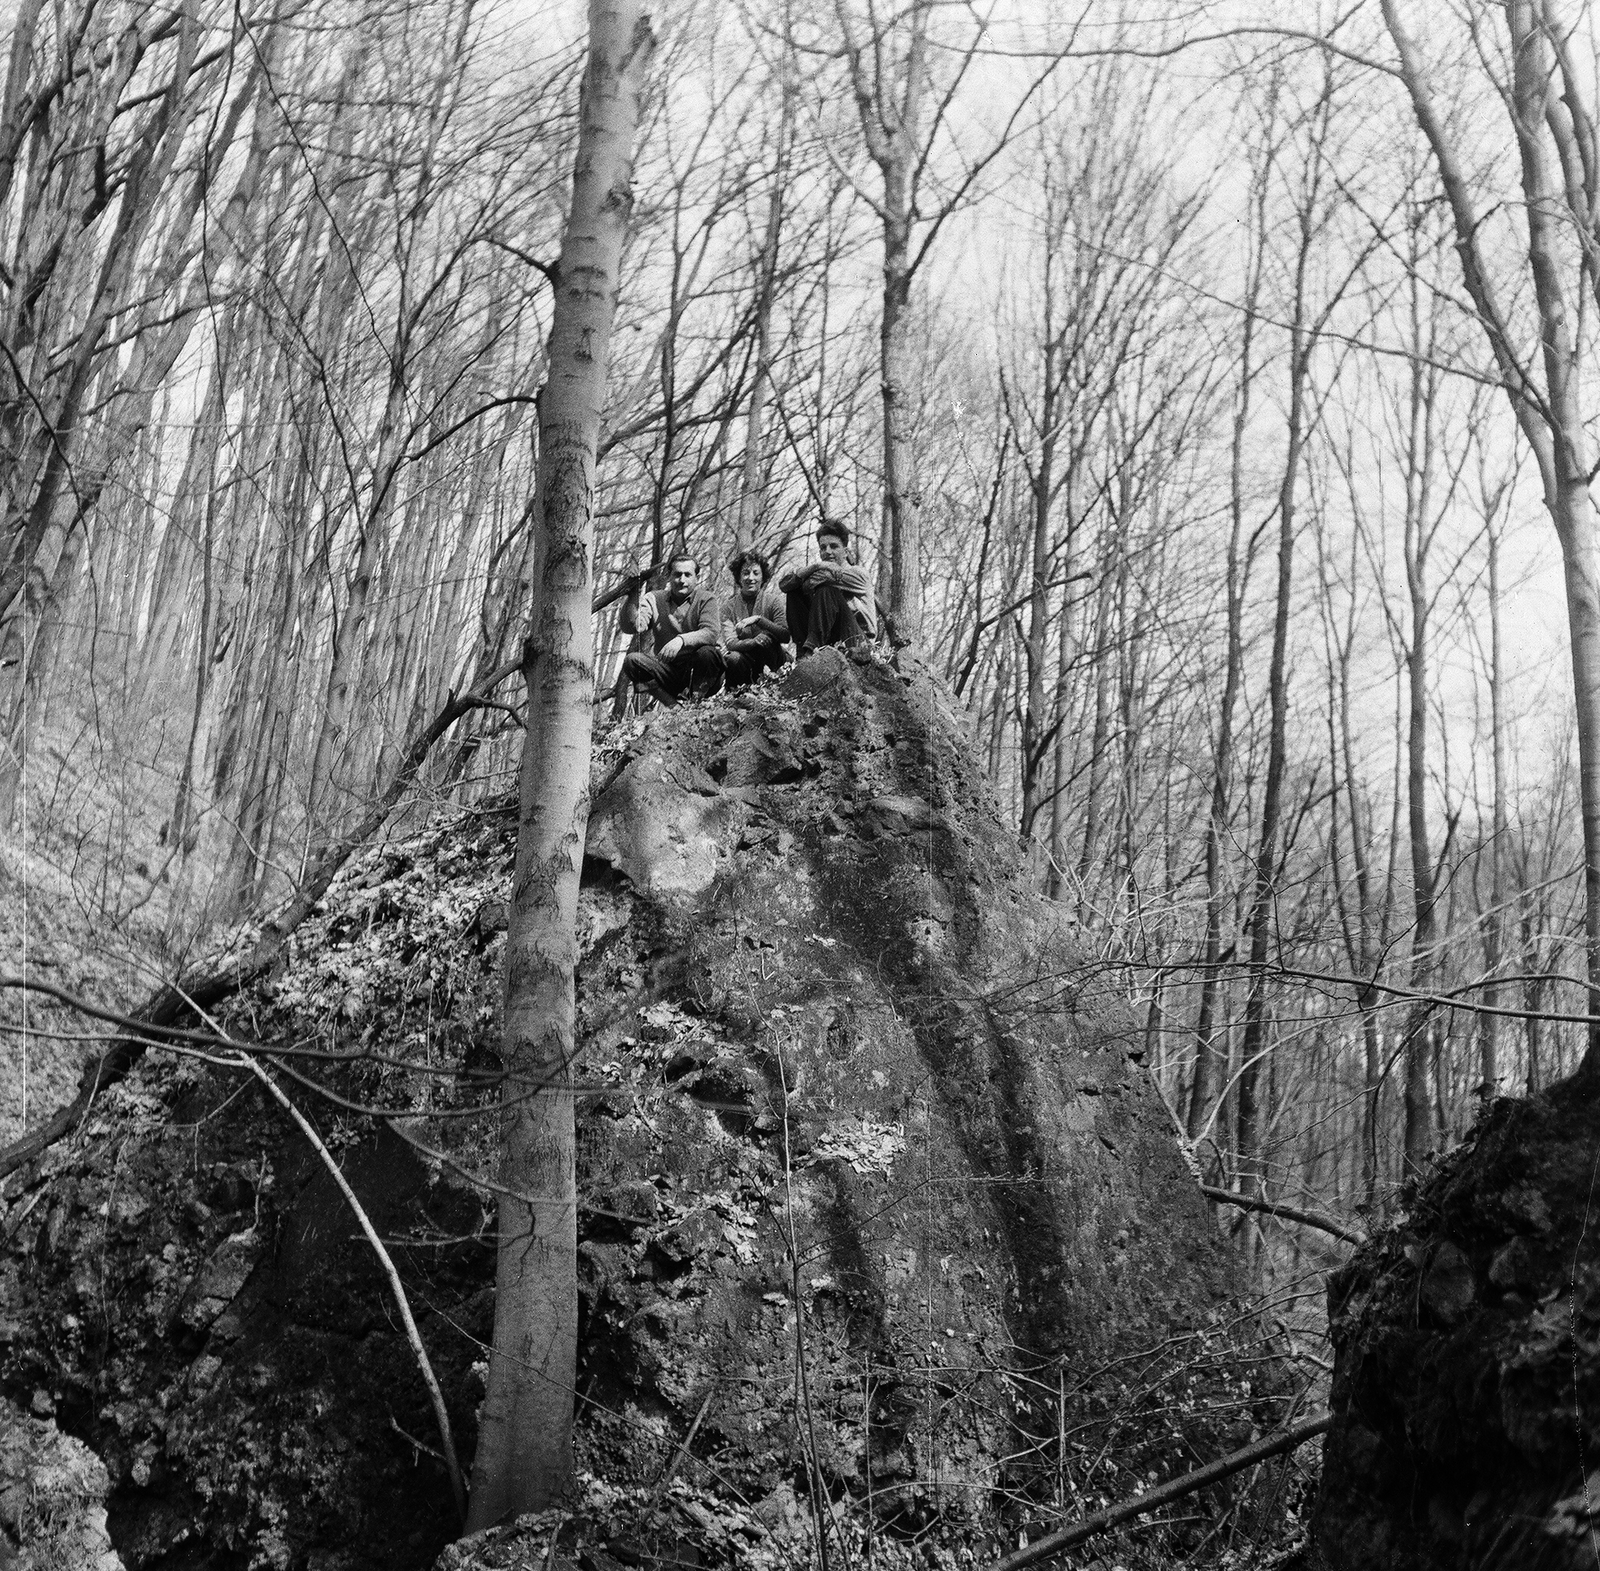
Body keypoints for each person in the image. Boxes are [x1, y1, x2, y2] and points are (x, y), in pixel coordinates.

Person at [619, 553, 725, 705]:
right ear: (668, 576)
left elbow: (711, 632)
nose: (682, 580)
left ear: (697, 577)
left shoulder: (706, 599)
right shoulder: (654, 598)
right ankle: (673, 707)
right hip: (669, 672)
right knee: (633, 661)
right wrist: (632, 596)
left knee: (707, 653)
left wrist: (680, 641)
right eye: (677, 574)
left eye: (687, 575)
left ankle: (696, 702)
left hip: (704, 672)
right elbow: (633, 627)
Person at [778, 518, 878, 655]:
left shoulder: (859, 574)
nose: (828, 551)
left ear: (846, 551)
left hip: (858, 642)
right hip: (832, 639)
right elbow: (785, 585)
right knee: (794, 591)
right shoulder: (820, 569)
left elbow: (822, 580)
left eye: (834, 546)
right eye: (823, 547)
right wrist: (817, 565)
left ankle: (811, 649)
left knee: (827, 591)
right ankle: (803, 651)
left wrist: (807, 578)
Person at [721, 549, 791, 686]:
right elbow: (731, 643)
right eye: (745, 573)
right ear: (739, 578)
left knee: (768, 639)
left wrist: (759, 620)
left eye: (755, 573)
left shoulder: (773, 601)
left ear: (763, 577)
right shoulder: (728, 607)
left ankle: (773, 687)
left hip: (773, 658)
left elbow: (785, 635)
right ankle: (736, 696)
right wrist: (753, 642)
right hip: (745, 660)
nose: (750, 578)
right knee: (732, 658)